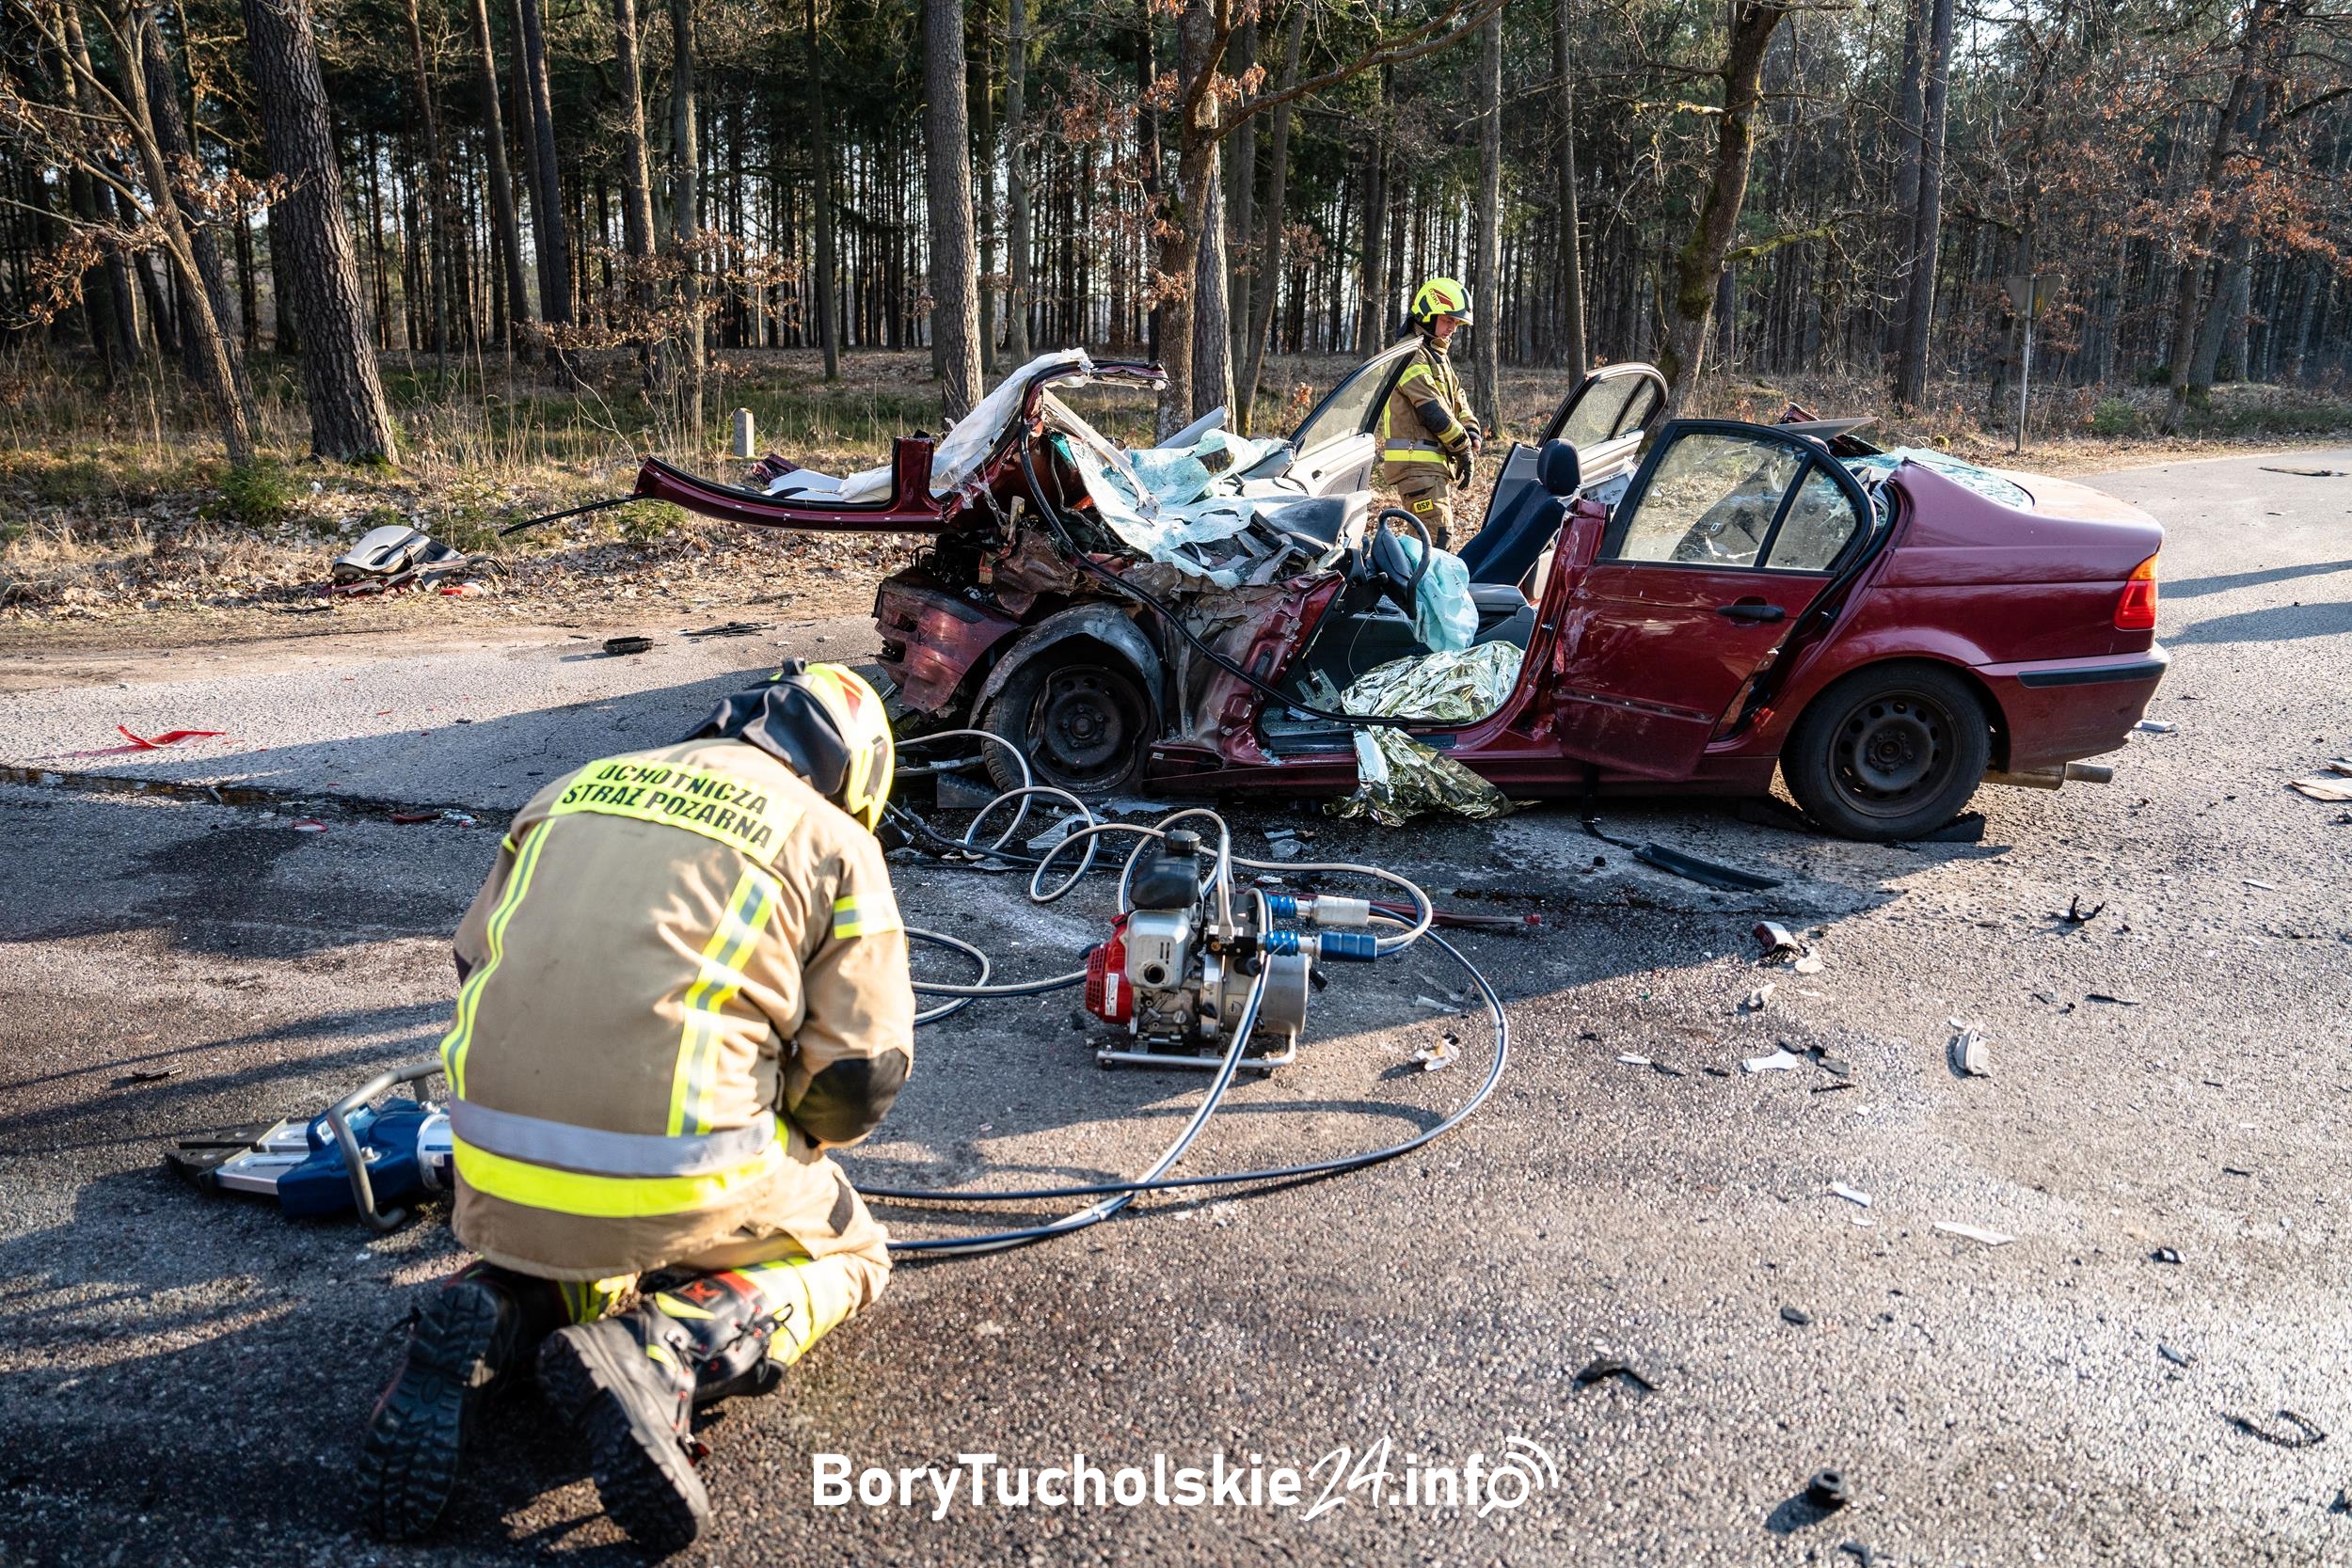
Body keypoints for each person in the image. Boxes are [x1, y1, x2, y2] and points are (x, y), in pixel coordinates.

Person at [358, 661, 913, 1555]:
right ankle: (672, 1347)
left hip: (493, 1165)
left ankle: (501, 1302)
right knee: (855, 1250)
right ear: (857, 769)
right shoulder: (832, 839)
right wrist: (786, 1129)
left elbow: (473, 969)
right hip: (676, 1177)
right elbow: (858, 1080)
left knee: (587, 1228)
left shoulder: (569, 790)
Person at [1377, 276, 1485, 552]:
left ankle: (1417, 595)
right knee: (1435, 544)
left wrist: (1471, 431)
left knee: (1431, 544)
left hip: (1431, 469)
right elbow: (1432, 409)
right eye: (1448, 320)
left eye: (1456, 323)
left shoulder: (1435, 355)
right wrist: (1462, 449)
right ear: (1427, 314)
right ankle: (1420, 597)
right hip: (1417, 467)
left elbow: (1458, 399)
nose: (1452, 329)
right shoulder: (1411, 354)